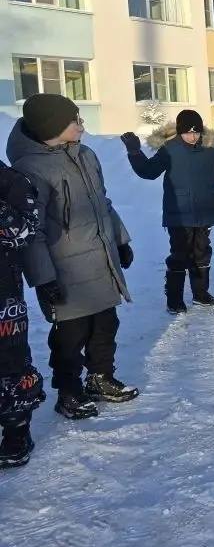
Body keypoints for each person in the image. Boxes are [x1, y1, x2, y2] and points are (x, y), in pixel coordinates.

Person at [8, 94, 138, 419]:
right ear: (53, 126)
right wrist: (43, 277)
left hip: (99, 259)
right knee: (70, 336)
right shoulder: (30, 169)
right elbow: (31, 231)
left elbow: (103, 203)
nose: (82, 126)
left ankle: (100, 378)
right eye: (75, 120)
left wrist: (120, 240)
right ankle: (69, 393)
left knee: (106, 324)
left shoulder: (86, 155)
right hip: (63, 270)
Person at [121, 110, 214, 314]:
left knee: (202, 253)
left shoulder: (211, 149)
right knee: (180, 255)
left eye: (196, 132)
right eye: (188, 132)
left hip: (204, 211)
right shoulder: (170, 149)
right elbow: (149, 172)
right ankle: (175, 299)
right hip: (178, 212)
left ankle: (200, 293)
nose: (193, 136)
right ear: (179, 132)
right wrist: (135, 153)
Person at [0, 163, 45, 468]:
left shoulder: (11, 182)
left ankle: (16, 433)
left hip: (3, 295)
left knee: (10, 364)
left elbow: (24, 233)